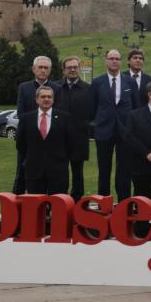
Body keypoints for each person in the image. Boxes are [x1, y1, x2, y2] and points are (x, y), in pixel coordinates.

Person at [89, 49, 136, 201]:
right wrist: (97, 123)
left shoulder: (130, 81)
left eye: (117, 58)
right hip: (104, 130)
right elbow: (92, 106)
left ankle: (124, 202)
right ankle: (103, 201)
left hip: (125, 130)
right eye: (111, 58)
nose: (114, 61)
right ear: (106, 61)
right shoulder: (97, 82)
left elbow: (136, 106)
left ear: (121, 61)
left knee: (124, 169)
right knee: (104, 169)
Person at [13, 56, 61, 194]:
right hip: (28, 139)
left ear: (50, 70)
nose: (43, 70)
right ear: (34, 69)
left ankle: (48, 206)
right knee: (22, 171)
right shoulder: (24, 87)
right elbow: (21, 113)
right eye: (40, 67)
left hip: (49, 140)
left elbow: (58, 113)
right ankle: (17, 203)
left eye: (46, 68)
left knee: (49, 173)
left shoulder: (56, 89)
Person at [16, 85, 72, 195]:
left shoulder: (65, 118)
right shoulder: (26, 119)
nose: (46, 99)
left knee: (58, 207)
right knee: (36, 207)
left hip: (58, 171)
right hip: (34, 170)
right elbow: (20, 144)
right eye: (43, 97)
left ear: (53, 99)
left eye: (49, 97)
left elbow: (70, 143)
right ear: (37, 99)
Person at [55, 56, 91, 201]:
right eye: (69, 67)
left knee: (78, 171)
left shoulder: (88, 89)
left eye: (75, 67)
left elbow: (92, 111)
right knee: (60, 171)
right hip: (59, 137)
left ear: (79, 68)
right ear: (63, 70)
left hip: (79, 136)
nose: (72, 70)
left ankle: (77, 200)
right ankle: (60, 199)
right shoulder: (56, 88)